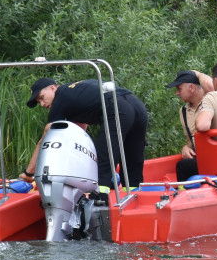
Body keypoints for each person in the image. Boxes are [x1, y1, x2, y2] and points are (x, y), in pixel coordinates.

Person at [19, 77, 148, 189]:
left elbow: (47, 138)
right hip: (137, 106)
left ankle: (99, 203)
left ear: (53, 88)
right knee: (132, 161)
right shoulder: (76, 94)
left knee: (103, 162)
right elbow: (79, 135)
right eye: (38, 102)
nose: (42, 104)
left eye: (41, 98)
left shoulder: (60, 97)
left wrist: (29, 173)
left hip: (118, 108)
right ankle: (134, 199)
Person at [164, 69, 213, 181]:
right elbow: (191, 140)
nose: (177, 93)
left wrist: (199, 74)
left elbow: (211, 86)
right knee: (184, 165)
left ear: (191, 88)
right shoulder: (183, 111)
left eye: (179, 89)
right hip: (201, 159)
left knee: (182, 167)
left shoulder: (213, 99)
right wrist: (186, 147)